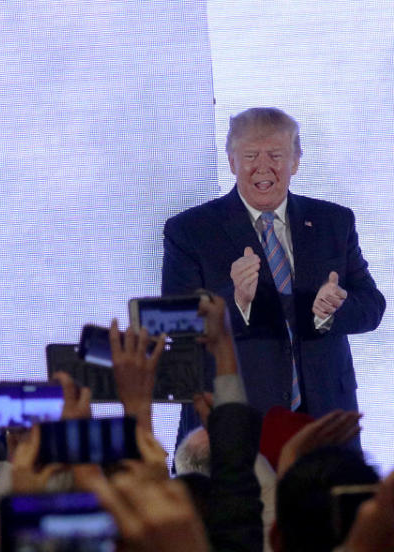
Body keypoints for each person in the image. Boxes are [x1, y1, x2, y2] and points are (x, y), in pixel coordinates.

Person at [162, 107, 385, 445]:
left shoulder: (333, 222)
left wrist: (333, 310)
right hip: (232, 428)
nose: (262, 167)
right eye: (250, 155)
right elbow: (176, 325)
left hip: (326, 425)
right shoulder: (190, 231)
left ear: (295, 161)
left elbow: (371, 307)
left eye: (276, 155)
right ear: (232, 160)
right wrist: (234, 299)